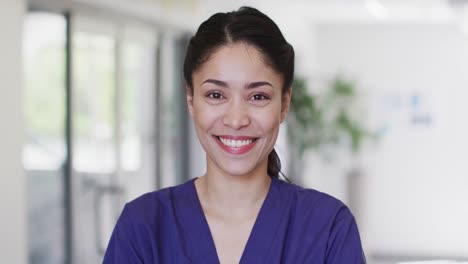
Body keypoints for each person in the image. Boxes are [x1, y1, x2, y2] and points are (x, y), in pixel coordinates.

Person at [103, 6, 366, 264]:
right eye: (216, 95)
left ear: (285, 104)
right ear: (191, 101)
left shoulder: (328, 229)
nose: (237, 119)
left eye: (258, 96)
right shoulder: (143, 227)